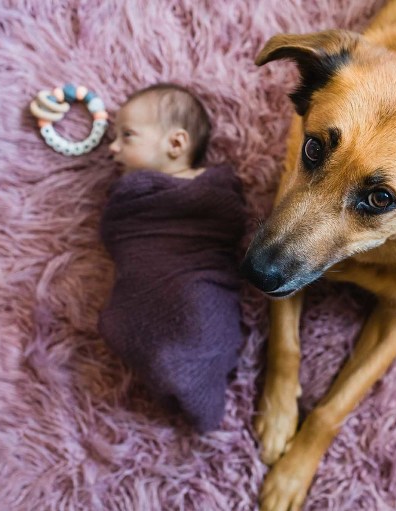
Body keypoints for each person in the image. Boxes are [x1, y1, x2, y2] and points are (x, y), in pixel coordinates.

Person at [98, 83, 246, 433]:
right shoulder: (135, 199)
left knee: (196, 311)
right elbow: (121, 236)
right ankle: (177, 368)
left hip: (195, 283)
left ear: (176, 144)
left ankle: (191, 374)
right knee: (131, 322)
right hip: (146, 290)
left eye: (127, 136)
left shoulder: (209, 190)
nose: (112, 148)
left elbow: (230, 223)